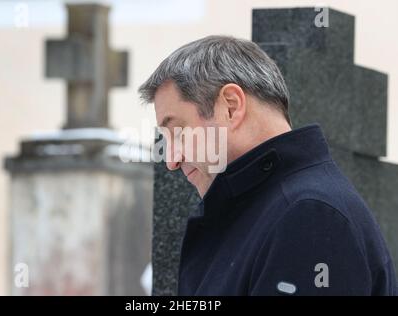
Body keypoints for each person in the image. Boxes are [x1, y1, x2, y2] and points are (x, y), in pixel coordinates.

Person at [138, 35, 397, 295]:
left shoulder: (309, 216)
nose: (172, 160)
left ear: (230, 107)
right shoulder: (275, 211)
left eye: (178, 132)